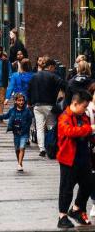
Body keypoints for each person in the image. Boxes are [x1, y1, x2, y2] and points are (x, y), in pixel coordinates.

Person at [56, 90, 95, 228]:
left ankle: (76, 209)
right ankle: (62, 217)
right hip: (68, 159)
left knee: (89, 183)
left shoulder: (83, 116)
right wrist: (90, 129)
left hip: (83, 157)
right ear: (75, 103)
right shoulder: (64, 117)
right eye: (84, 106)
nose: (85, 109)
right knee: (67, 188)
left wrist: (90, 132)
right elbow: (70, 131)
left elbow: (87, 133)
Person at [28, 58, 66, 158]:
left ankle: (42, 149)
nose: (54, 70)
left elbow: (29, 90)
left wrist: (29, 103)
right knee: (51, 127)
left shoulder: (34, 76)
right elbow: (64, 85)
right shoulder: (53, 76)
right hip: (49, 105)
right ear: (50, 67)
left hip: (37, 106)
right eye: (54, 68)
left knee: (39, 128)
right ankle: (50, 147)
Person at [0, 92, 33, 172]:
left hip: (24, 132)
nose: (21, 102)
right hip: (16, 132)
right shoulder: (12, 110)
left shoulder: (27, 111)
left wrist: (25, 129)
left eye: (22, 100)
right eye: (19, 100)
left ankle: (19, 163)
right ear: (15, 101)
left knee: (22, 147)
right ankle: (19, 161)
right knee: (17, 149)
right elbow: (5, 116)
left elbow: (29, 121)